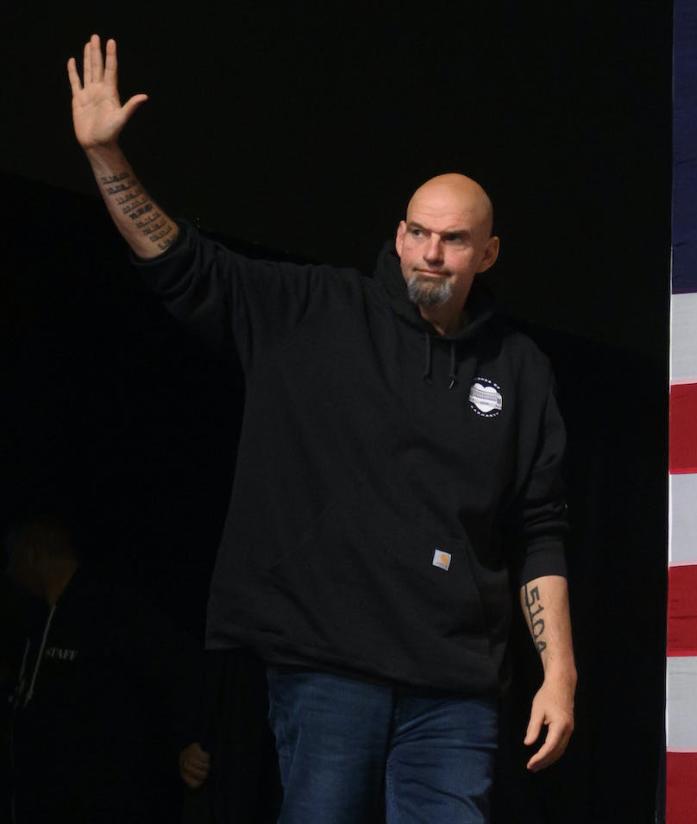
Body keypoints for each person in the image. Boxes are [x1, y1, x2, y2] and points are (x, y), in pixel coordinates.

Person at [66, 34, 577, 824]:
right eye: (417, 232)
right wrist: (105, 157)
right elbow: (183, 268)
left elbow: (538, 525)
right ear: (398, 233)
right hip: (329, 673)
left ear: (489, 253)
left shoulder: (519, 367)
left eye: (453, 240)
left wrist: (561, 673)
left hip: (457, 690)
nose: (430, 254)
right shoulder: (317, 313)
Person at [5, 515, 195, 823]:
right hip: (48, 802)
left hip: (107, 802)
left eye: (11, 556)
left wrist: (189, 739)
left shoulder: (111, 611)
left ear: (33, 552)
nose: (9, 570)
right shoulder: (34, 623)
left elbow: (173, 668)